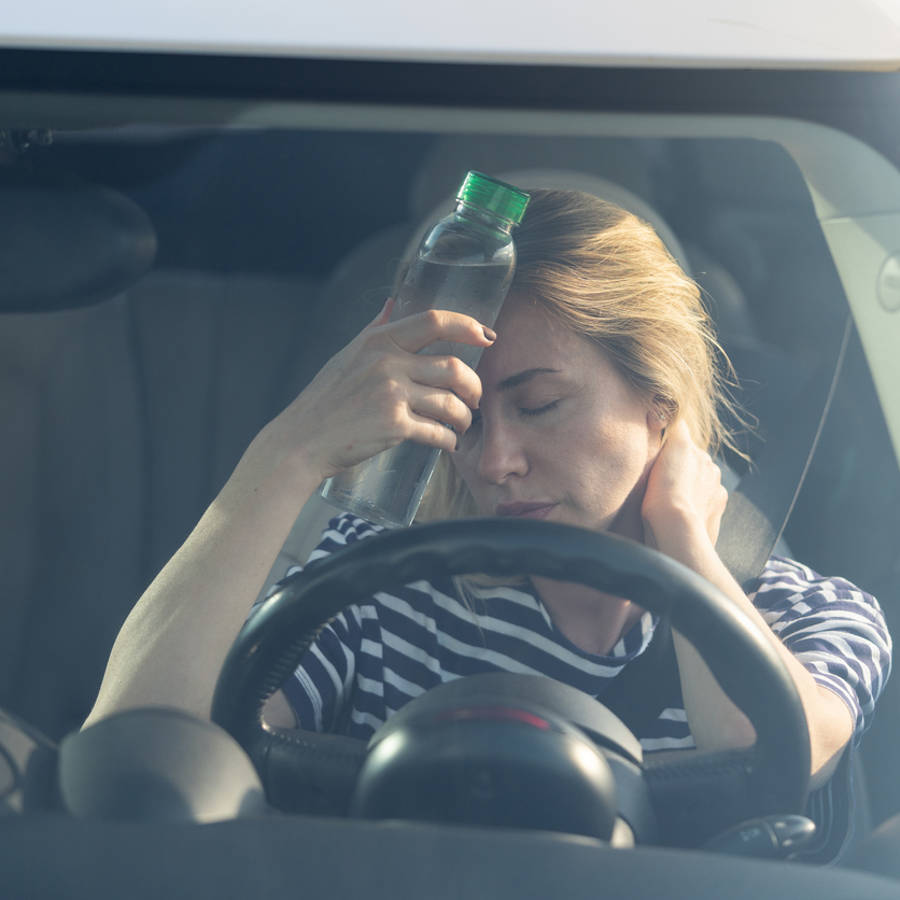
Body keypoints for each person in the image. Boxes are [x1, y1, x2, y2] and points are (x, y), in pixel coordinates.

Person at [86, 188, 890, 861]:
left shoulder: (811, 615)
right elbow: (137, 757)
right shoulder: (377, 588)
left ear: (659, 405)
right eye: (463, 419)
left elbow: (763, 745)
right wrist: (287, 454)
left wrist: (682, 533)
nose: (495, 459)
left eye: (539, 405)